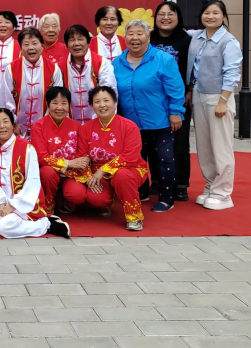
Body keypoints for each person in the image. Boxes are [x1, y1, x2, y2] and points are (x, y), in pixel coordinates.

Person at [113, 20, 186, 213]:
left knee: (164, 160)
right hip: (130, 123)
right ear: (125, 37)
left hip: (160, 121)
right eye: (130, 34)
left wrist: (176, 112)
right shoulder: (117, 63)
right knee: (135, 160)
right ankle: (141, 191)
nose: (135, 38)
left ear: (148, 36)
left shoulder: (163, 59)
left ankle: (166, 198)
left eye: (139, 33)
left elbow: (176, 88)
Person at [0, 109, 70, 239]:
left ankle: (46, 225)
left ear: (13, 126)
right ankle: (19, 223)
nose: (2, 126)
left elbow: (33, 181)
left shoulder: (27, 148)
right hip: (3, 203)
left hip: (24, 203)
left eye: (5, 121)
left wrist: (13, 205)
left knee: (4, 228)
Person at [187, 0, 242, 211]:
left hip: (219, 97)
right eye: (206, 13)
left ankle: (223, 193)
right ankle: (211, 186)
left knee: (221, 146)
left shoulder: (229, 41)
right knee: (204, 146)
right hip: (198, 95)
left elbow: (232, 73)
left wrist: (223, 101)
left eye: (215, 13)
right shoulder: (196, 36)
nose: (210, 16)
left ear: (223, 16)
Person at [71, 86, 149, 231]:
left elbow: (130, 156)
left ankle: (134, 217)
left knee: (121, 176)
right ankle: (107, 202)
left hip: (130, 169)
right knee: (96, 198)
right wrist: (87, 165)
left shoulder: (129, 126)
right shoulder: (86, 128)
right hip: (98, 172)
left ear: (115, 102)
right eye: (97, 102)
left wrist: (103, 170)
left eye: (106, 100)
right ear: (92, 105)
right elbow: (81, 153)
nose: (102, 105)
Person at [151, 1, 192, 201]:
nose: (165, 18)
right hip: (153, 100)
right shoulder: (148, 38)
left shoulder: (188, 40)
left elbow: (196, 67)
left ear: (178, 17)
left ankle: (181, 184)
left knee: (180, 143)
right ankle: (157, 181)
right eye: (161, 14)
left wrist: (190, 88)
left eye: (171, 14)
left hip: (179, 98)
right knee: (154, 143)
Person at [0, 27, 63, 139]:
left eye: (35, 43)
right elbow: (4, 99)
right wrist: (12, 124)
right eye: (26, 44)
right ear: (21, 47)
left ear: (42, 45)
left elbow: (58, 100)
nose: (31, 47)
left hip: (46, 128)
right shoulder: (11, 69)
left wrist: (47, 123)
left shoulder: (53, 69)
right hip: (17, 130)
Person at [31, 87, 87, 215]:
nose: (59, 107)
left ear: (69, 106)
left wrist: (75, 165)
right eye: (55, 103)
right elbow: (40, 156)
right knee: (47, 172)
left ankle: (68, 203)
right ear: (48, 105)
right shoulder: (39, 126)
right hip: (50, 172)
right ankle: (48, 202)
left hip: (71, 173)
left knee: (77, 195)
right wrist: (67, 163)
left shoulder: (76, 126)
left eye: (64, 103)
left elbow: (82, 152)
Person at [61, 24, 117, 124]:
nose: (76, 43)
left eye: (80, 39)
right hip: (70, 124)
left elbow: (110, 94)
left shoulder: (101, 63)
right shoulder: (60, 66)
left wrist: (102, 121)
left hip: (98, 122)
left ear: (88, 42)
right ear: (66, 45)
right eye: (72, 40)